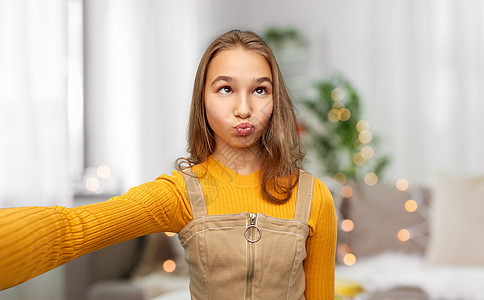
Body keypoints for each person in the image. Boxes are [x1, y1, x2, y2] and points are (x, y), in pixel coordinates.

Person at [0, 30, 336, 299]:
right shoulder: (180, 193)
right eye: (225, 89)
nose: (244, 108)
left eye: (260, 90)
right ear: (202, 100)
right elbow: (74, 229)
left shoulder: (314, 197)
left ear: (276, 100)